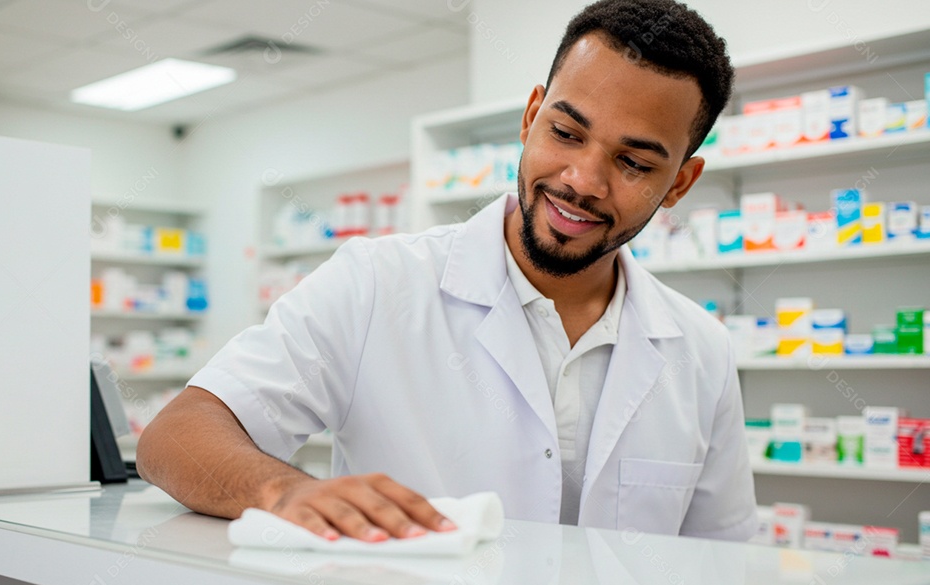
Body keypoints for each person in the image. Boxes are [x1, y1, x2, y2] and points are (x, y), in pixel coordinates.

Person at [137, 0, 757, 544]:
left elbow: (723, 558)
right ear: (531, 117)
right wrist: (285, 492)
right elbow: (175, 438)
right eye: (567, 133)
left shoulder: (700, 351)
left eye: (633, 163)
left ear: (680, 182)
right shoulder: (376, 283)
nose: (582, 180)